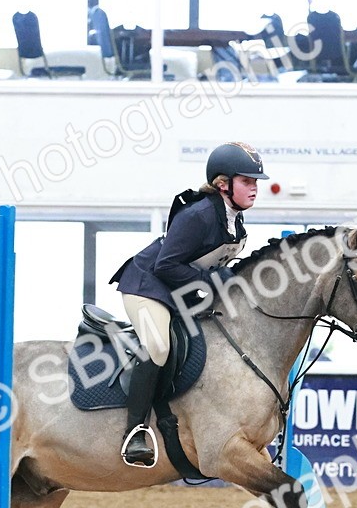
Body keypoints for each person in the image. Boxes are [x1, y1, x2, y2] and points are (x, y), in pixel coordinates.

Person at [108, 142, 268, 467]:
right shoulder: (199, 214)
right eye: (247, 181)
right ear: (223, 184)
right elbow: (165, 266)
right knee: (158, 346)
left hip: (180, 293)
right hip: (146, 286)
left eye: (255, 182)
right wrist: (212, 284)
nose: (254, 188)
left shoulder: (235, 223)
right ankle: (135, 431)